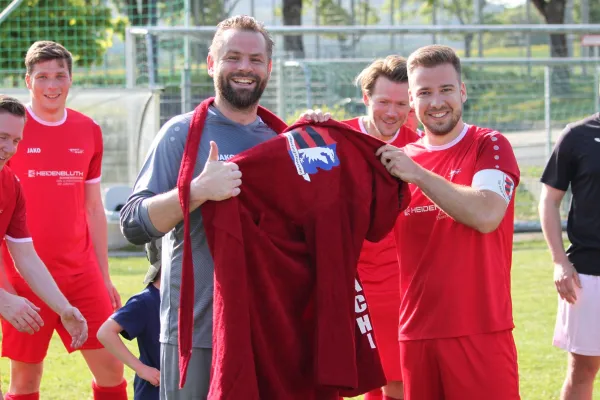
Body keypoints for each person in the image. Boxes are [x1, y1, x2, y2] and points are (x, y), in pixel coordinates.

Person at [120, 15, 288, 399]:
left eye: (255, 60)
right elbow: (133, 224)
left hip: (267, 328)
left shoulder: (282, 139)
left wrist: (320, 136)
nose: (245, 68)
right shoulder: (180, 133)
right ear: (211, 64)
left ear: (268, 68)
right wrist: (195, 191)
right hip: (195, 332)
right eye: (233, 57)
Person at [376, 45, 521, 400]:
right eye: (424, 92)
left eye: (446, 90)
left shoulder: (489, 144)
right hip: (415, 334)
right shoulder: (397, 164)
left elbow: (486, 215)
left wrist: (418, 175)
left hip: (481, 331)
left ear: (463, 92)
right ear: (412, 99)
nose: (436, 101)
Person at [0, 42, 127, 400]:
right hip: (23, 277)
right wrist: (4, 289)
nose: (51, 85)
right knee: (25, 381)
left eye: (59, 76)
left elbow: (92, 210)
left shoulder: (89, 130)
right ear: (28, 81)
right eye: (42, 77)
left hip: (80, 273)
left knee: (112, 371)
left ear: (71, 79)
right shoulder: (9, 130)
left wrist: (104, 276)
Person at [0, 94, 88, 399]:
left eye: (15, 140)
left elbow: (25, 256)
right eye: (1, 137)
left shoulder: (11, 184)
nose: (8, 148)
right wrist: (4, 299)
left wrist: (63, 308)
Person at [539, 112, 600, 400]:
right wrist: (559, 261)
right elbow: (549, 200)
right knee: (582, 372)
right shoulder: (577, 135)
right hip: (589, 274)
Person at [97, 239, 162, 400]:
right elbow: (105, 332)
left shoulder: (195, 300)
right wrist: (141, 369)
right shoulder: (144, 302)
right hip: (154, 392)